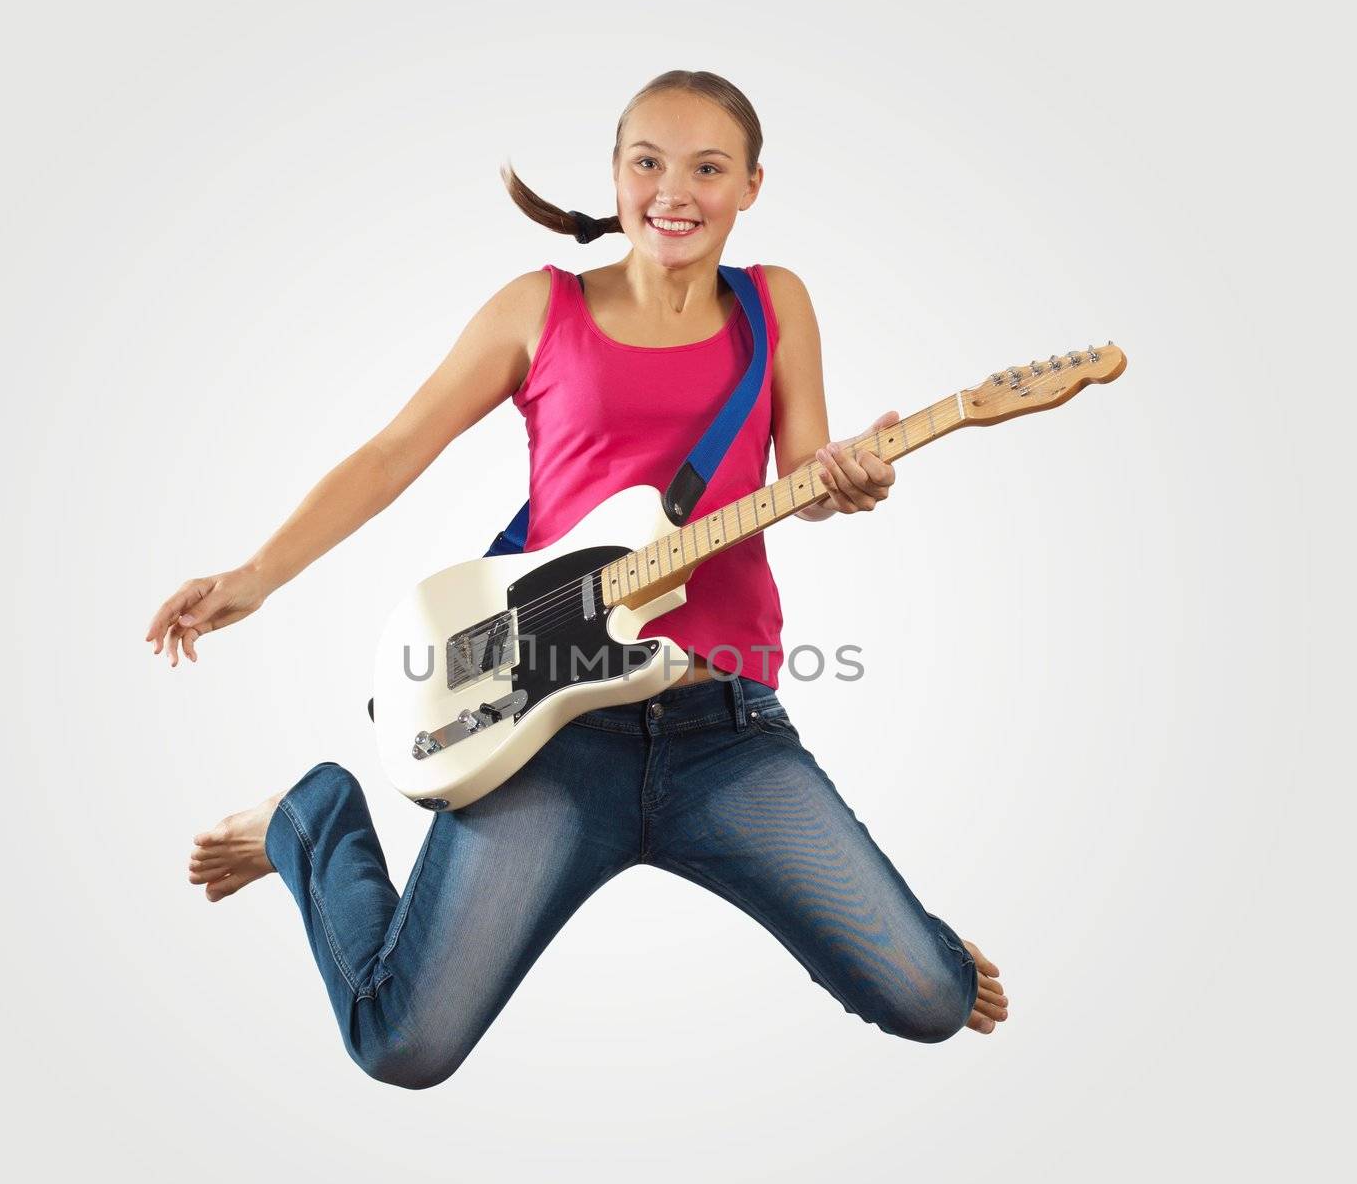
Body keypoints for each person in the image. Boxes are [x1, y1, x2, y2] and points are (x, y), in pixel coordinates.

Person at [144, 69, 1009, 1089]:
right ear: (614, 173)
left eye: (706, 167)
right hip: (549, 731)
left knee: (929, 1000)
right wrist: (257, 574)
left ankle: (908, 950)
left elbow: (802, 481)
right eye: (646, 161)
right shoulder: (536, 308)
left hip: (720, 727)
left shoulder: (776, 305)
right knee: (401, 1042)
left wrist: (842, 481)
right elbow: (392, 453)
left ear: (750, 188)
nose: (672, 189)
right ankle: (311, 814)